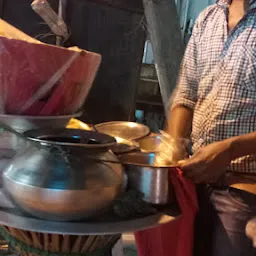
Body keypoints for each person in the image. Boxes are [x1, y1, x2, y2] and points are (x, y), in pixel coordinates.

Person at [167, 0, 256, 255]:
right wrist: (174, 147)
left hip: (245, 188)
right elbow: (186, 93)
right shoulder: (208, 17)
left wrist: (230, 150)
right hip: (194, 179)